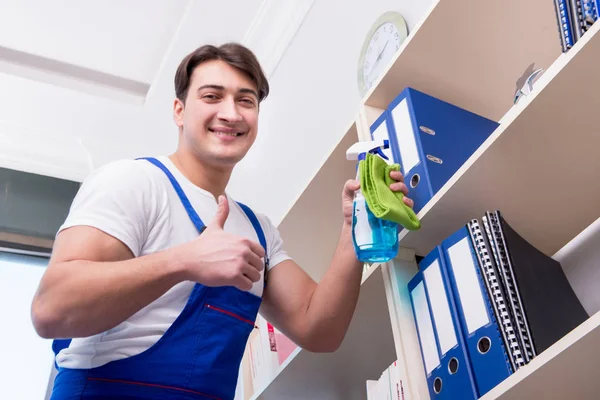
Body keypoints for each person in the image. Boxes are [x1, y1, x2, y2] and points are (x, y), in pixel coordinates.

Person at [31, 42, 414, 400]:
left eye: (245, 101)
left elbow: (320, 329)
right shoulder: (134, 183)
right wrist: (184, 261)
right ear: (179, 110)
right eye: (212, 96)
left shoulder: (258, 229)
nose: (230, 113)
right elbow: (52, 309)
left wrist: (353, 230)